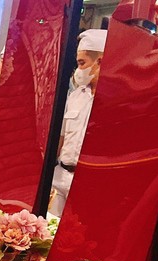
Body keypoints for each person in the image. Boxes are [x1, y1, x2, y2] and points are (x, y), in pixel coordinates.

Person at [50, 29, 107, 217]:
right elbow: (61, 138)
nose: (78, 70)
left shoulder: (111, 100)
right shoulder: (75, 96)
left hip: (88, 183)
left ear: (100, 62)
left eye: (82, 63)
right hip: (60, 177)